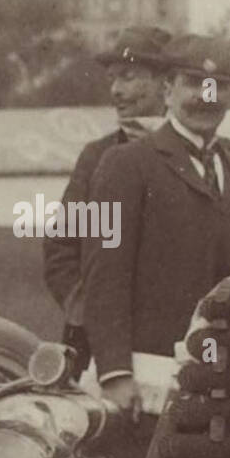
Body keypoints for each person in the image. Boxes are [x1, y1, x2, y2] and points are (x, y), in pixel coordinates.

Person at [82, 35, 230, 411]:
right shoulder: (125, 163)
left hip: (227, 379)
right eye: (193, 83)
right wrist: (115, 372)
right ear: (168, 89)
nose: (205, 97)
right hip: (146, 382)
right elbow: (104, 275)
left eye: (219, 87)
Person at [43, 26, 171, 370]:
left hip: (175, 341)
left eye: (128, 78)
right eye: (113, 79)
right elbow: (61, 250)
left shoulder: (198, 157)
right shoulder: (96, 156)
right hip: (101, 345)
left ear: (166, 83)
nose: (116, 90)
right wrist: (90, 313)